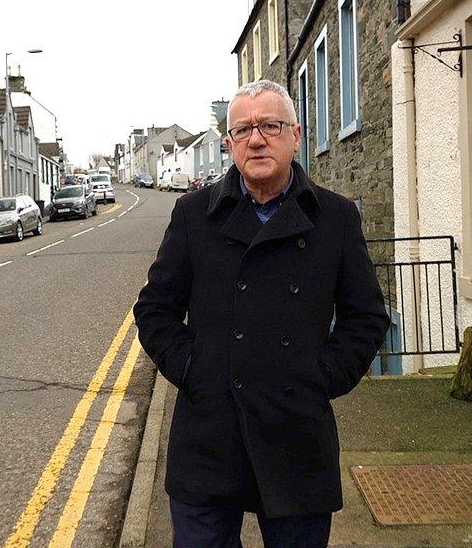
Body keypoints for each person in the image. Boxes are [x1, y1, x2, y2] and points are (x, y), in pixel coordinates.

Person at [134, 80, 389, 548]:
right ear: (229, 144)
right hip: (209, 435)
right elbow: (154, 309)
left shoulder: (335, 218)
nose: (256, 139)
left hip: (296, 434)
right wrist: (195, 370)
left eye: (269, 126)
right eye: (243, 129)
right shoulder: (193, 215)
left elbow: (366, 317)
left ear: (295, 135)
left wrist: (322, 377)